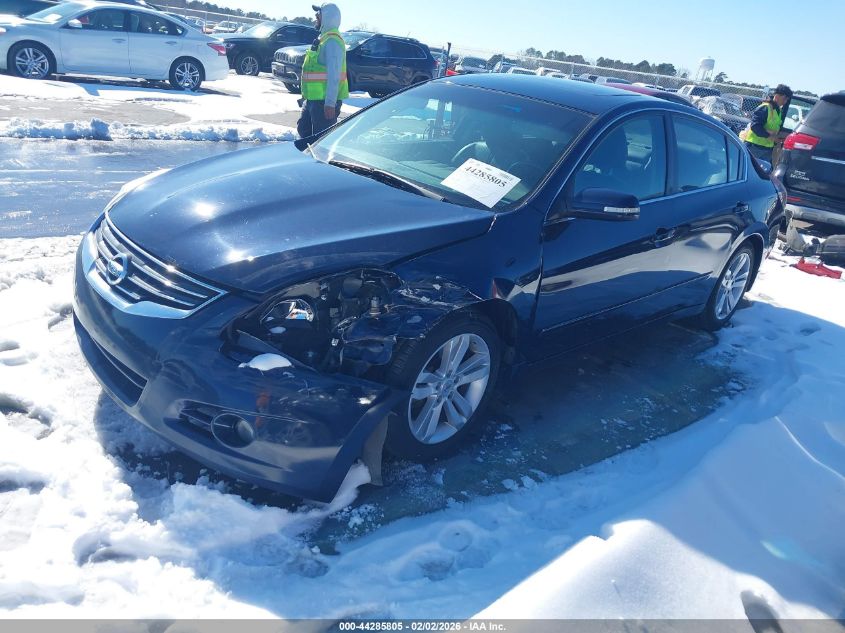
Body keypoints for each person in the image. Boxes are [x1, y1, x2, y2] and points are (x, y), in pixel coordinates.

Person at [296, 3, 347, 139]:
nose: (315, 16)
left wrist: (330, 103)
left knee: (321, 140)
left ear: (327, 17)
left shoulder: (333, 42)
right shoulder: (323, 39)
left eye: (318, 14)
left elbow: (334, 75)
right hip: (313, 99)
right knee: (304, 131)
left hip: (324, 102)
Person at [741, 84, 792, 164]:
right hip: (754, 148)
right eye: (784, 99)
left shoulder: (778, 111)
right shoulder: (765, 107)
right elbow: (755, 127)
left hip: (767, 149)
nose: (785, 102)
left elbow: (774, 129)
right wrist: (770, 136)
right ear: (777, 95)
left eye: (787, 100)